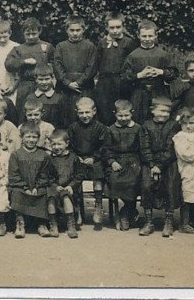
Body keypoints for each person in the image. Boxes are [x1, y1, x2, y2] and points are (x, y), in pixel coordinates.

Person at [103, 99, 149, 231]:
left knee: (135, 179)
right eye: (120, 116)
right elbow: (106, 149)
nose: (123, 118)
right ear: (114, 114)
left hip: (134, 160)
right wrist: (112, 162)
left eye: (126, 115)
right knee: (115, 180)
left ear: (132, 113)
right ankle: (130, 210)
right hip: (117, 160)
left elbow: (142, 148)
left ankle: (125, 212)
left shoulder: (138, 128)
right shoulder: (110, 129)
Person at [123, 20, 178, 124]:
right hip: (139, 94)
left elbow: (174, 73)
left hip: (159, 92)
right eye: (144, 36)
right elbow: (124, 76)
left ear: (156, 35)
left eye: (150, 36)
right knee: (139, 120)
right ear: (138, 35)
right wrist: (139, 75)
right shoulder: (133, 56)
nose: (147, 39)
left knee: (159, 119)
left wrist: (161, 72)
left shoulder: (163, 54)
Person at [8, 123, 57, 238]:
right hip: (21, 187)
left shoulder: (43, 155)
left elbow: (45, 175)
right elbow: (14, 175)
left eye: (34, 137)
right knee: (16, 193)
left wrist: (36, 187)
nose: (31, 140)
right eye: (28, 137)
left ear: (39, 138)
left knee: (44, 193)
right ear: (21, 138)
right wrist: (25, 187)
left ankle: (42, 223)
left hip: (37, 187)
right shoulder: (16, 155)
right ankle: (20, 223)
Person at [68, 96, 109, 230]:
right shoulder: (73, 128)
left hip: (94, 159)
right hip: (79, 159)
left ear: (94, 111)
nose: (84, 115)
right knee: (75, 176)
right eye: (81, 113)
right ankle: (78, 209)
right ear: (76, 112)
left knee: (98, 174)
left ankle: (98, 206)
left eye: (87, 112)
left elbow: (104, 146)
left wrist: (94, 157)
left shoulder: (100, 127)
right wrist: (76, 157)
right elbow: (70, 146)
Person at [140, 98, 179, 237]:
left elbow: (171, 147)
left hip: (167, 163)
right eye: (161, 110)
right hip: (149, 163)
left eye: (167, 111)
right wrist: (152, 165)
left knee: (170, 186)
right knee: (146, 185)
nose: (164, 114)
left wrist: (160, 165)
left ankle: (168, 220)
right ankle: (149, 221)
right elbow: (144, 147)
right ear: (152, 111)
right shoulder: (146, 125)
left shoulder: (173, 125)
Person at [53, 16, 98, 126]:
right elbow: (57, 66)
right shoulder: (61, 46)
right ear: (67, 30)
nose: (75, 33)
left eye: (78, 30)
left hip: (84, 88)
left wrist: (79, 82)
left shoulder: (90, 46)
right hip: (66, 89)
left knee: (84, 115)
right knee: (66, 117)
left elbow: (91, 67)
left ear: (83, 30)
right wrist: (67, 83)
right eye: (72, 30)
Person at [93, 12, 137, 125]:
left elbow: (133, 63)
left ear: (123, 27)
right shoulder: (102, 43)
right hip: (105, 83)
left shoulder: (128, 42)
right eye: (112, 27)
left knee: (122, 108)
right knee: (105, 110)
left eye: (118, 27)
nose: (115, 30)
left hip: (122, 82)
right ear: (107, 28)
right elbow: (97, 62)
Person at [5, 17, 55, 103]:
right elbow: (8, 64)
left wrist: (49, 69)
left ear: (39, 31)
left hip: (44, 85)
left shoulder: (47, 47)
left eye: (34, 33)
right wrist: (24, 61)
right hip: (25, 85)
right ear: (23, 33)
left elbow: (55, 63)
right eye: (28, 34)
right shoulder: (19, 49)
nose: (31, 37)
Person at [48, 129, 82, 238]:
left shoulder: (73, 158)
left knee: (66, 197)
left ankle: (71, 225)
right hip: (54, 187)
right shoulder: (49, 159)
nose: (56, 147)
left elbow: (79, 175)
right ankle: (53, 224)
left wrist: (71, 186)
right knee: (51, 199)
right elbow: (47, 176)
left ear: (67, 144)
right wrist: (54, 185)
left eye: (59, 144)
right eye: (53, 144)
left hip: (69, 187)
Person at [16, 63, 65, 128]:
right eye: (41, 79)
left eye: (47, 79)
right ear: (36, 79)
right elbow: (22, 122)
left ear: (52, 78)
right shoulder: (29, 98)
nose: (44, 82)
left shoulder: (59, 98)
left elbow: (64, 123)